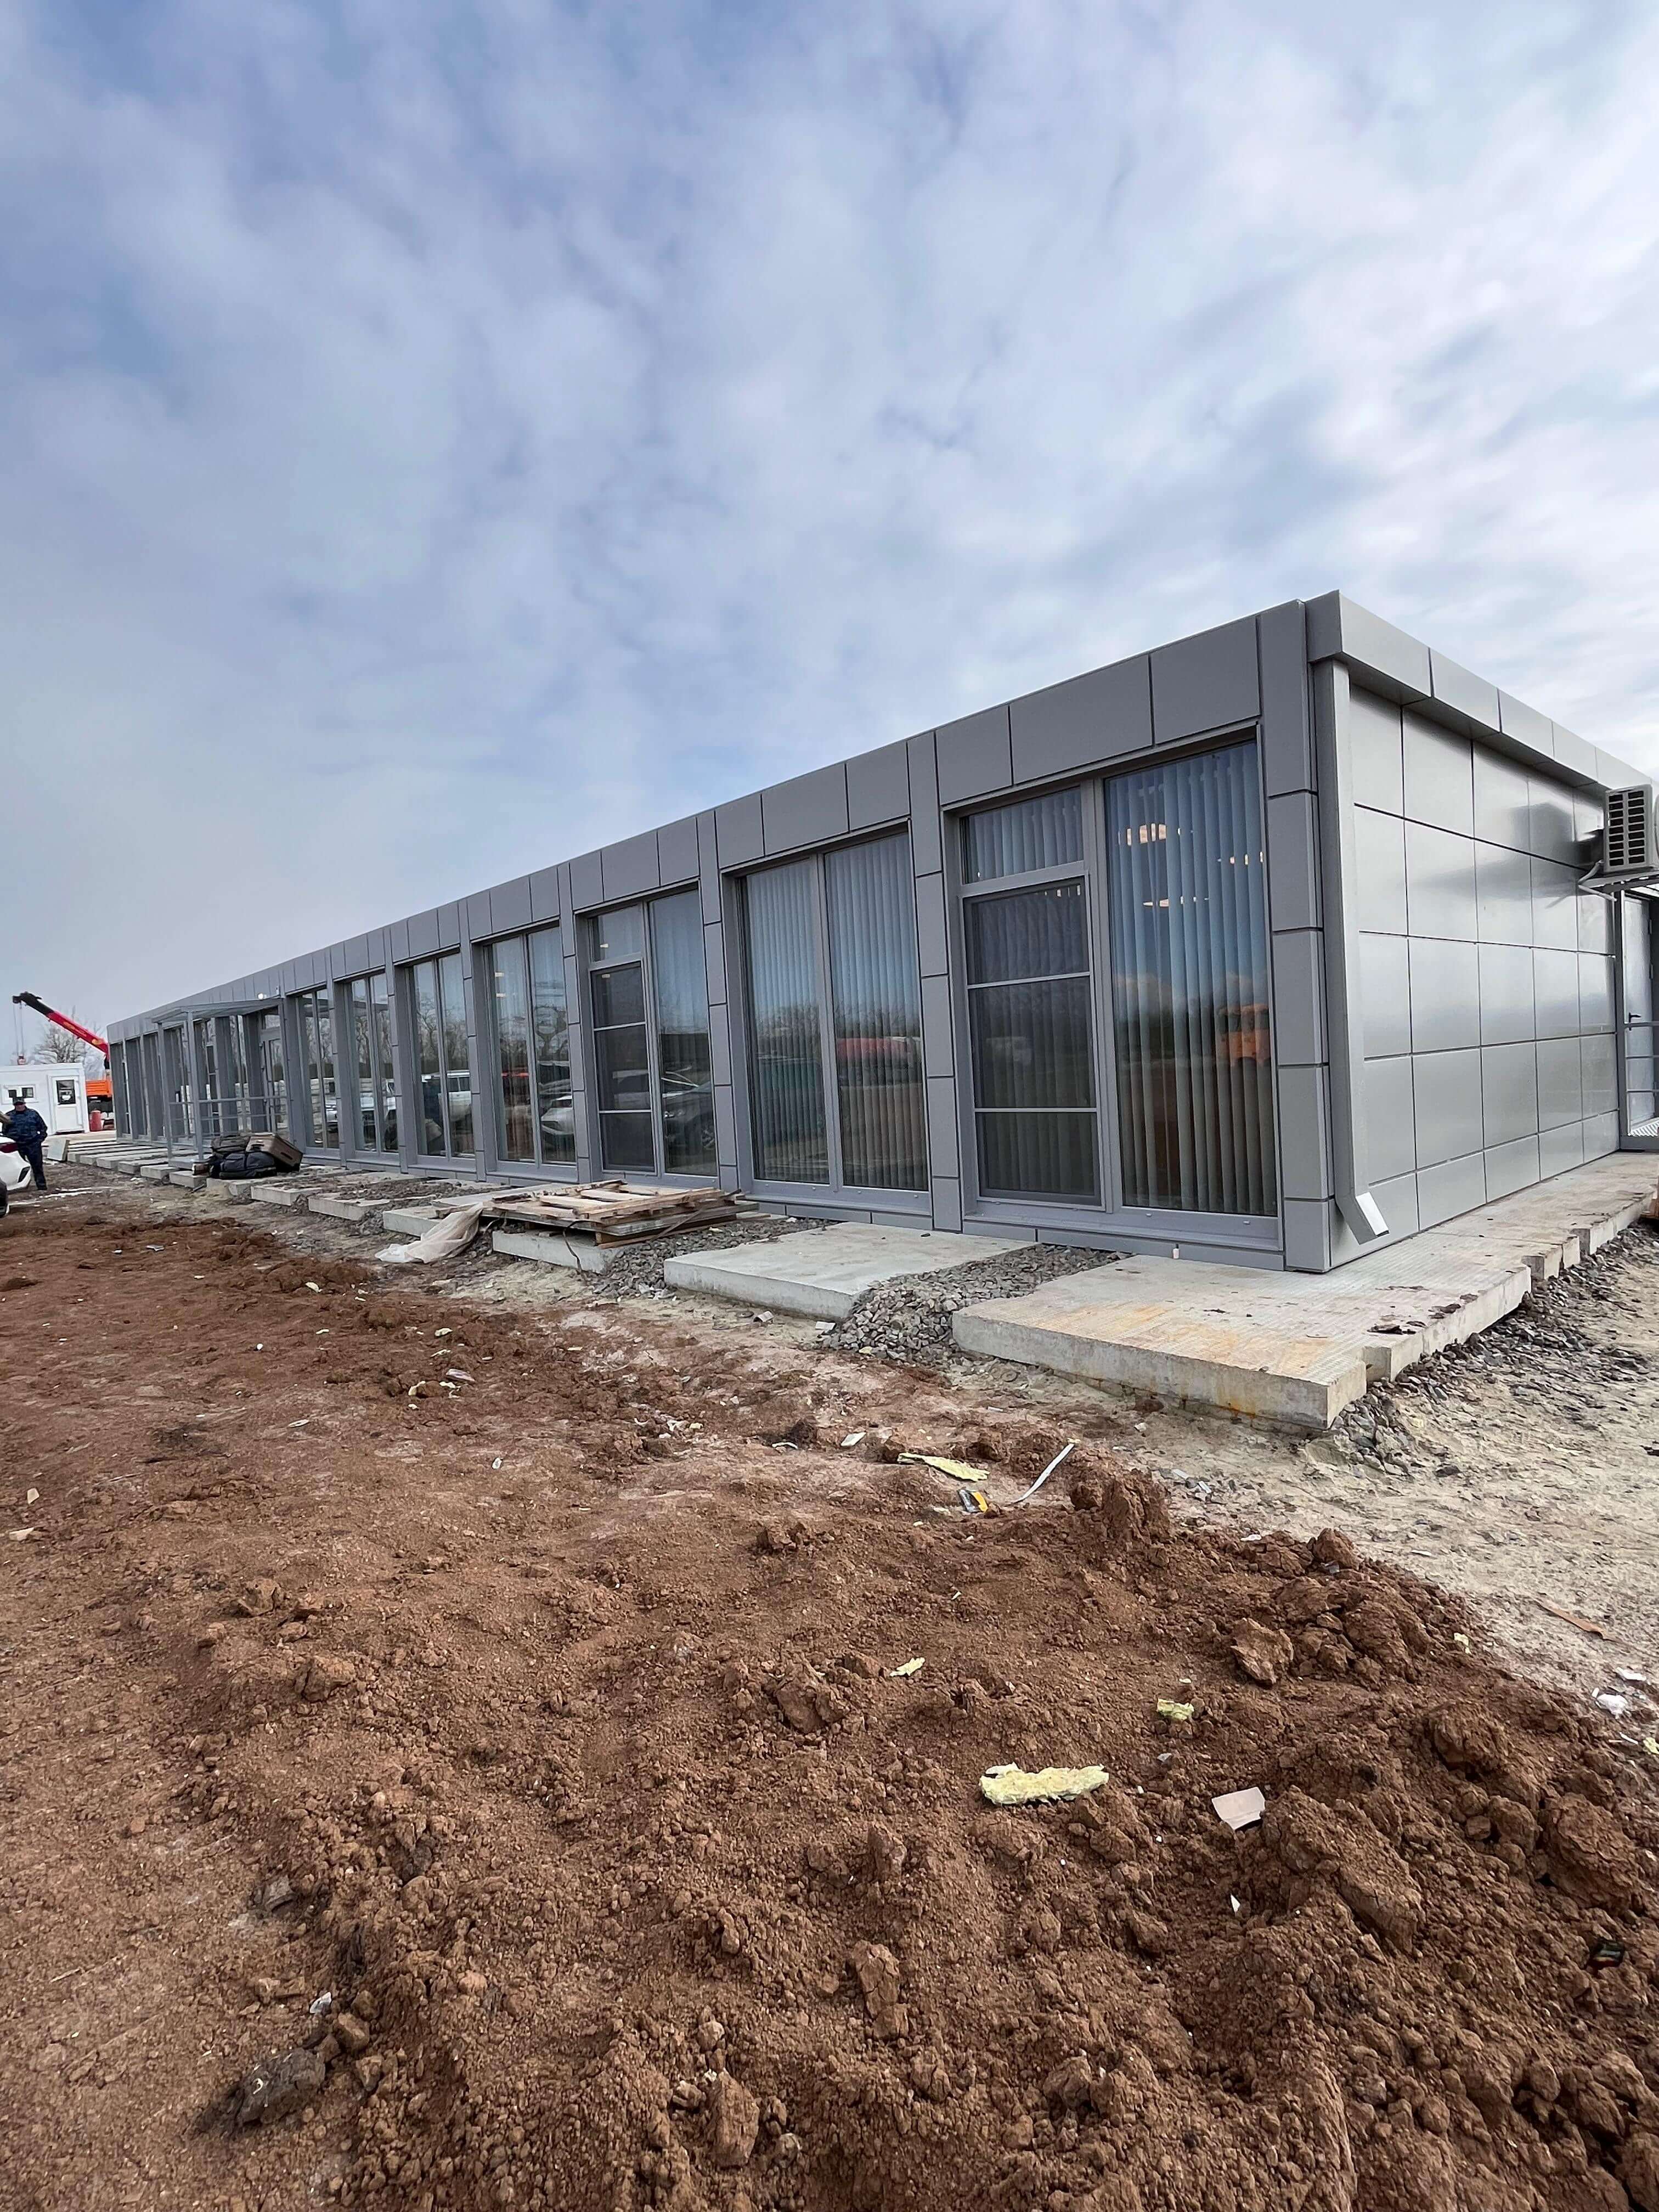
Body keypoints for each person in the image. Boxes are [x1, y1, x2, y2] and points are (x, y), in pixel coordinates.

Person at [2, 1097, 49, 1192]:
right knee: (19, 1167)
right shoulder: (9, 1116)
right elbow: (5, 1131)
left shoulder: (33, 1114)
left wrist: (39, 1140)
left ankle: (42, 1186)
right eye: (17, 1105)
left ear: (24, 1104)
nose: (19, 1106)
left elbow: (43, 1128)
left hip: (33, 1144)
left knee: (37, 1166)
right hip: (18, 1145)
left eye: (21, 1104)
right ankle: (19, 1185)